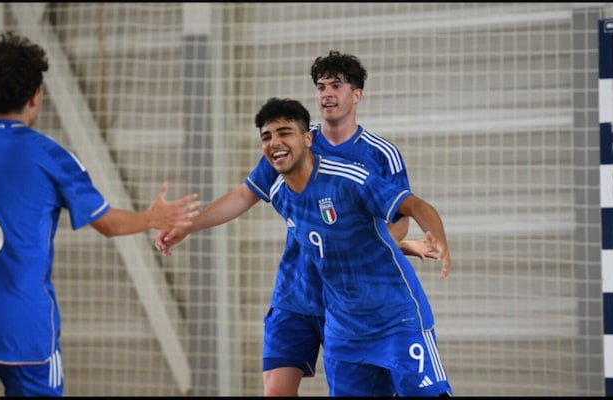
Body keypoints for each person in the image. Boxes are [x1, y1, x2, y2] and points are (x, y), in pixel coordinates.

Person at [0, 31, 202, 397]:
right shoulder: (49, 156)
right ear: (35, 96)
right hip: (22, 327)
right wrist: (151, 217)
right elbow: (107, 224)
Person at [155, 50, 436, 396]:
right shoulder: (291, 142)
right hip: (298, 291)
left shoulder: (380, 155)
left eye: (337, 85)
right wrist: (188, 225)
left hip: (354, 304)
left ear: (358, 94)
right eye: (320, 87)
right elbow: (245, 195)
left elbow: (399, 223)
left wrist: (385, 249)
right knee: (275, 390)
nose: (327, 94)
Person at [255, 97, 453, 396]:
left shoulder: (351, 176)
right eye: (266, 136)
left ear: (308, 138)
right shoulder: (281, 195)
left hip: (394, 318)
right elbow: (331, 245)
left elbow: (413, 205)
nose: (275, 143)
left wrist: (437, 238)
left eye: (284, 133)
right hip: (343, 328)